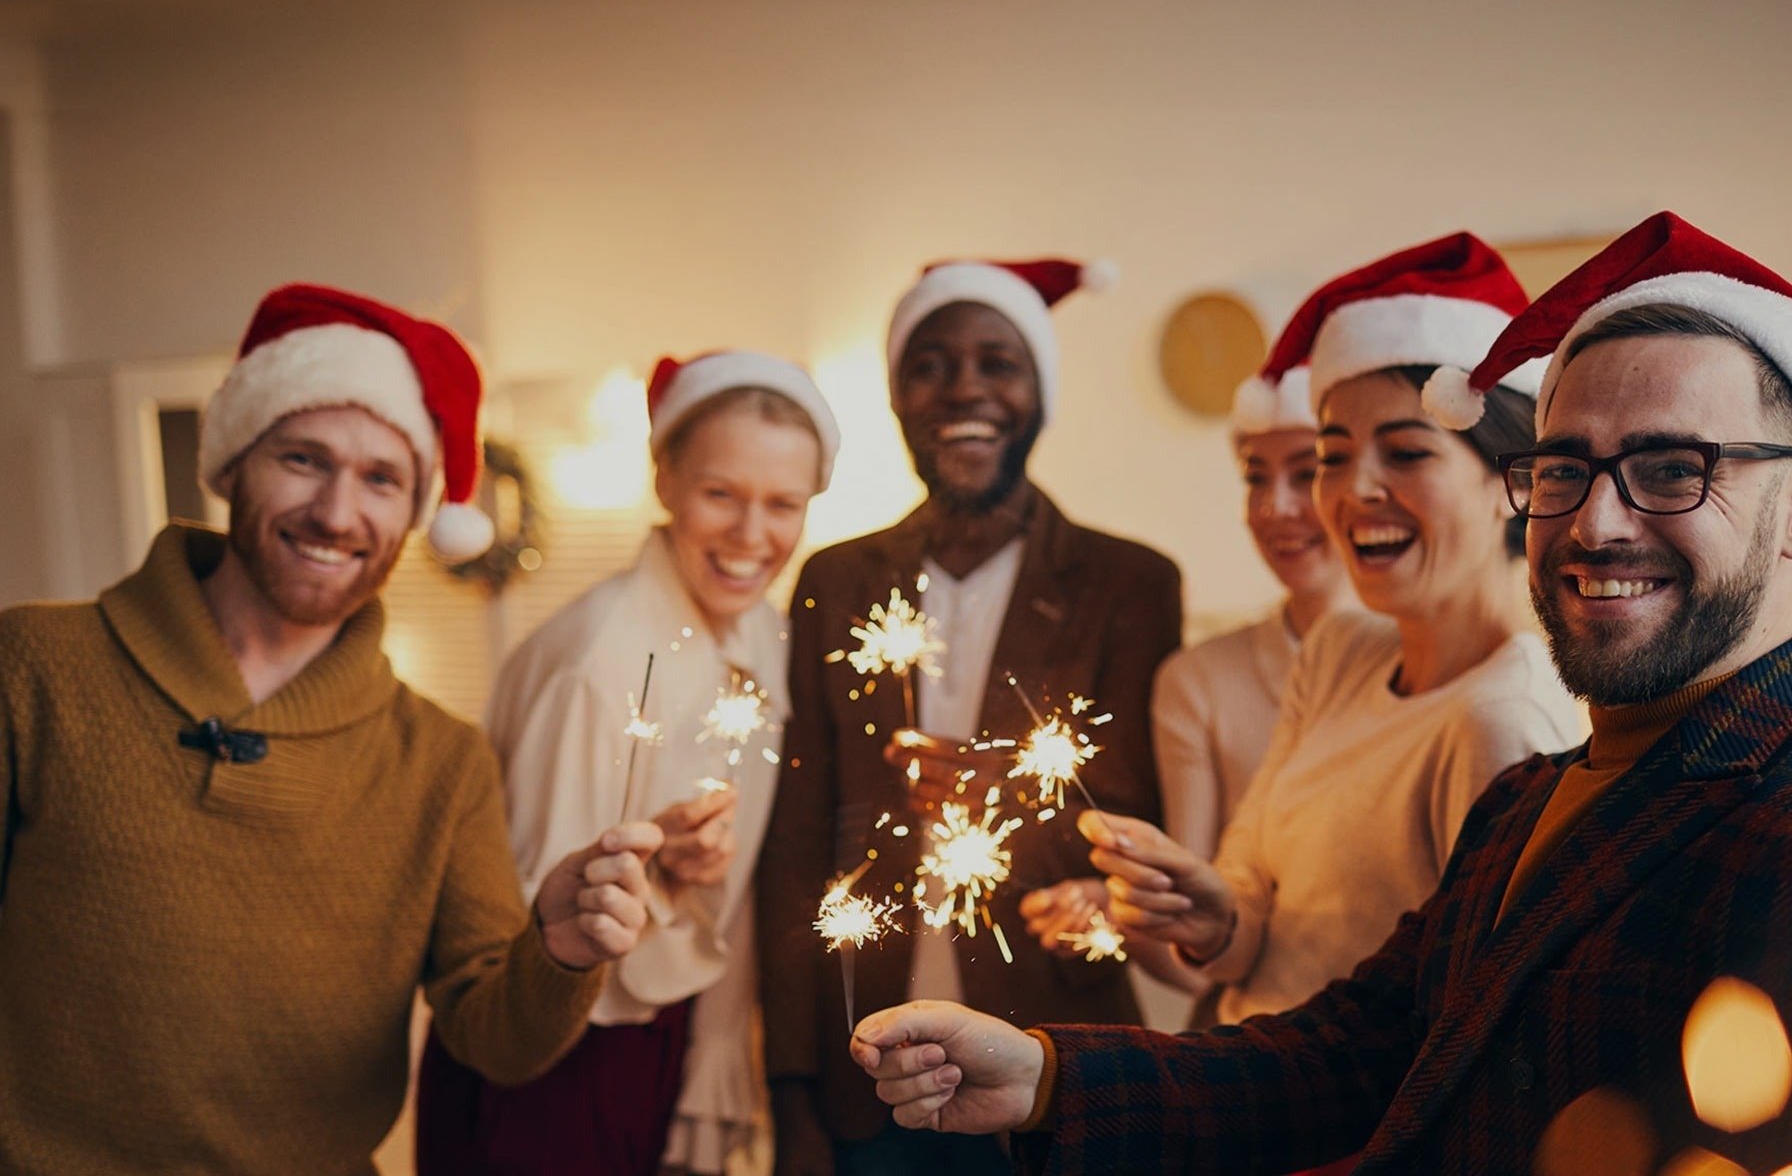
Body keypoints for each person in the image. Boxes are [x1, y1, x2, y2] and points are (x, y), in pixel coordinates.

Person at [852, 211, 1792, 1174]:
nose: (1597, 523)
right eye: (1563, 468)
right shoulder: (1528, 798)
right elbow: (1356, 1055)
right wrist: (1043, 1074)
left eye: (1673, 468)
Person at [0, 284, 663, 1175]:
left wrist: (558, 949)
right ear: (233, 462)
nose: (338, 512)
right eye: (304, 458)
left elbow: (495, 1037)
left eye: (382, 479)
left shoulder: (442, 760)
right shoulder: (35, 665)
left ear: (416, 512)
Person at [1060, 235, 1578, 1060]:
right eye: (1336, 456)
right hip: (1241, 1098)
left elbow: (1470, 1039)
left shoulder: (1502, 722)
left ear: (1509, 482)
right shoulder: (1341, 651)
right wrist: (1213, 913)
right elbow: (1252, 888)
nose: (1355, 488)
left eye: (1406, 451)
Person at [756, 257, 1182, 1175]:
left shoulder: (1130, 585)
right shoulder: (835, 582)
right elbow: (796, 843)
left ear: (1039, 393)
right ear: (899, 397)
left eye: (999, 362)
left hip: (1060, 1064)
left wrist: (1020, 793)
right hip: (869, 1075)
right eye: (931, 364)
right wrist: (791, 1093)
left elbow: (1149, 817)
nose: (965, 389)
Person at [416, 352, 841, 1175]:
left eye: (782, 503)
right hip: (551, 1050)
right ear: (665, 480)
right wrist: (655, 878)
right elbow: (529, 934)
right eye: (721, 494)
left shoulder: (764, 635)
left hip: (662, 1028)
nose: (752, 536)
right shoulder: (598, 663)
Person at [1147, 362, 1353, 865]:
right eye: (1256, 478)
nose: (1274, 507)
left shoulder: (1432, 666)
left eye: (1307, 473)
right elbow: (1190, 909)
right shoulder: (1198, 683)